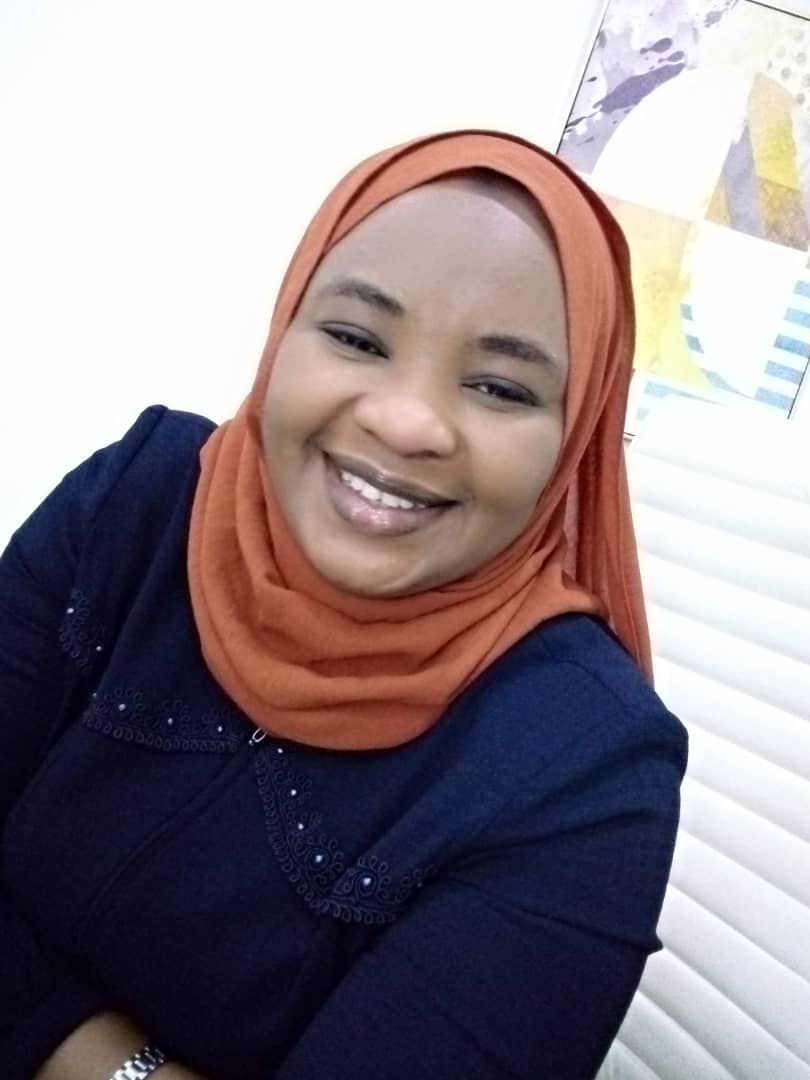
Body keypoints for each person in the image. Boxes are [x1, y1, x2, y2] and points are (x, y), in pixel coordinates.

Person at [0, 130, 687, 1080]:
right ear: (284, 330)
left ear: (574, 440)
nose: (406, 421)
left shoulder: (587, 766)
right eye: (358, 339)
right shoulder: (138, 503)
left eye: (499, 386)